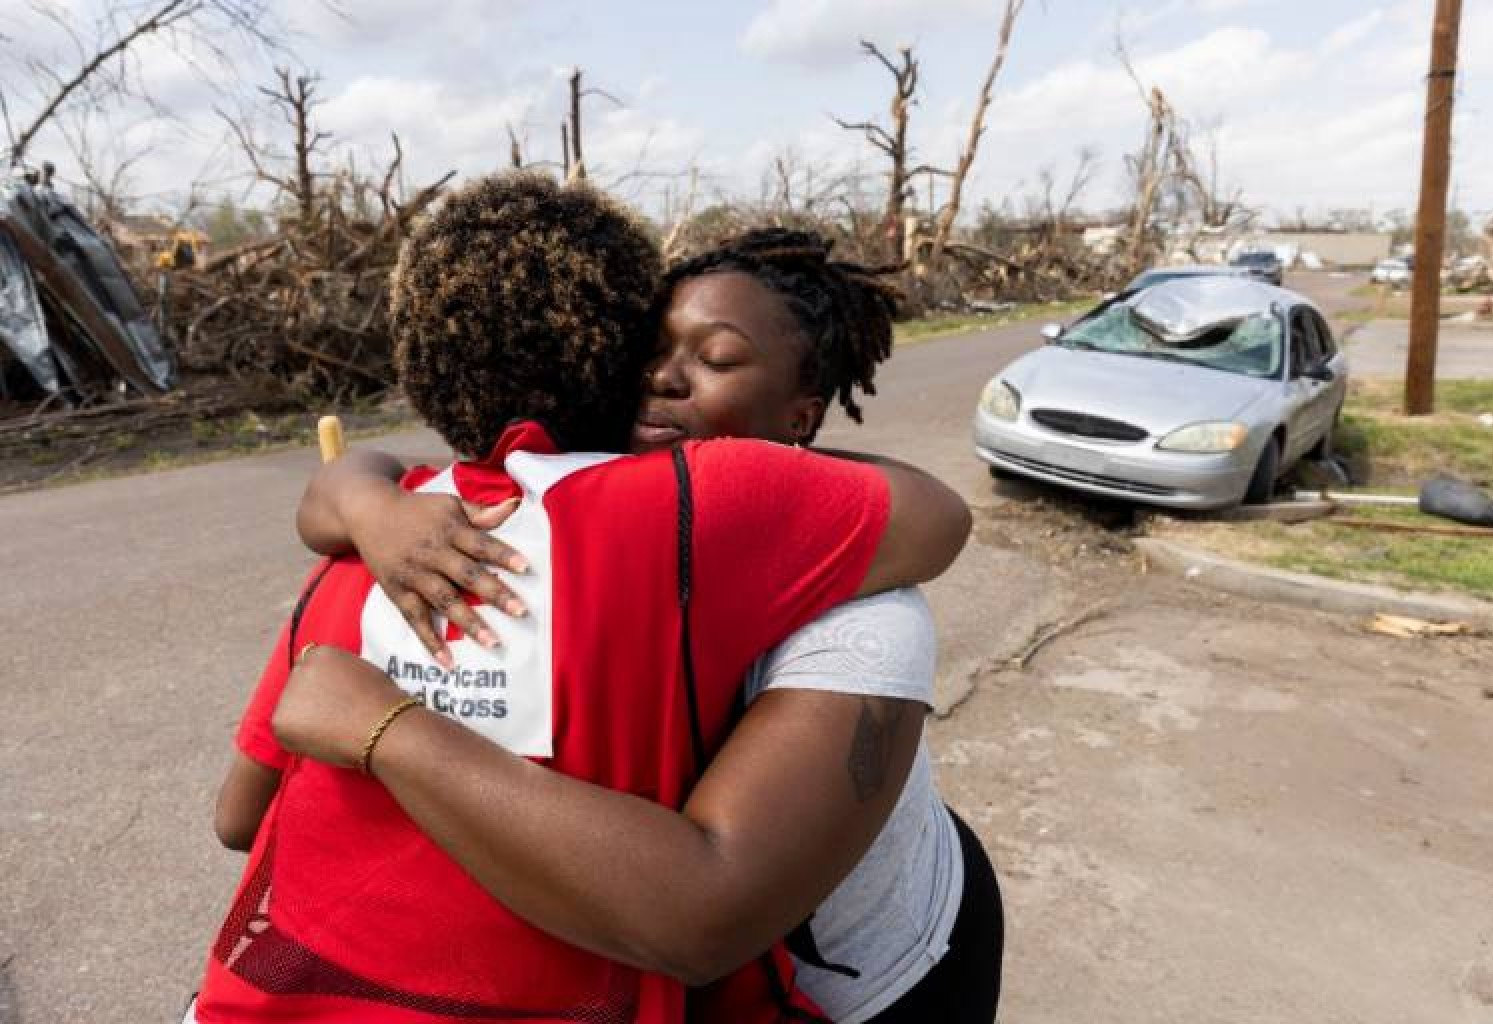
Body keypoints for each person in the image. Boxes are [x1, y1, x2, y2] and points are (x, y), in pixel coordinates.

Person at [193, 175, 971, 1024]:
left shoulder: (822, 580)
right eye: (649, 353)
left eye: (714, 359)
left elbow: (243, 817)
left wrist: (388, 723)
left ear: (802, 415)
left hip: (884, 973)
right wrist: (364, 498)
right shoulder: (415, 528)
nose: (667, 379)